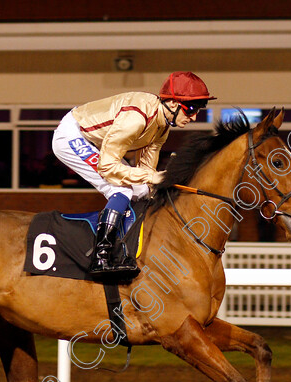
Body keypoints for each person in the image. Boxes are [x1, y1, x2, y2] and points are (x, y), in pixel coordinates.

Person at [52, 71, 215, 279]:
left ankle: (127, 248)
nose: (194, 116)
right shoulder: (135, 120)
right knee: (119, 188)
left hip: (97, 141)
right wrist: (151, 178)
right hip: (72, 135)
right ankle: (100, 256)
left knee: (141, 190)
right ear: (173, 104)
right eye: (191, 109)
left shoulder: (163, 125)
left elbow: (146, 172)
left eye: (199, 109)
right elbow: (107, 167)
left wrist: (155, 183)